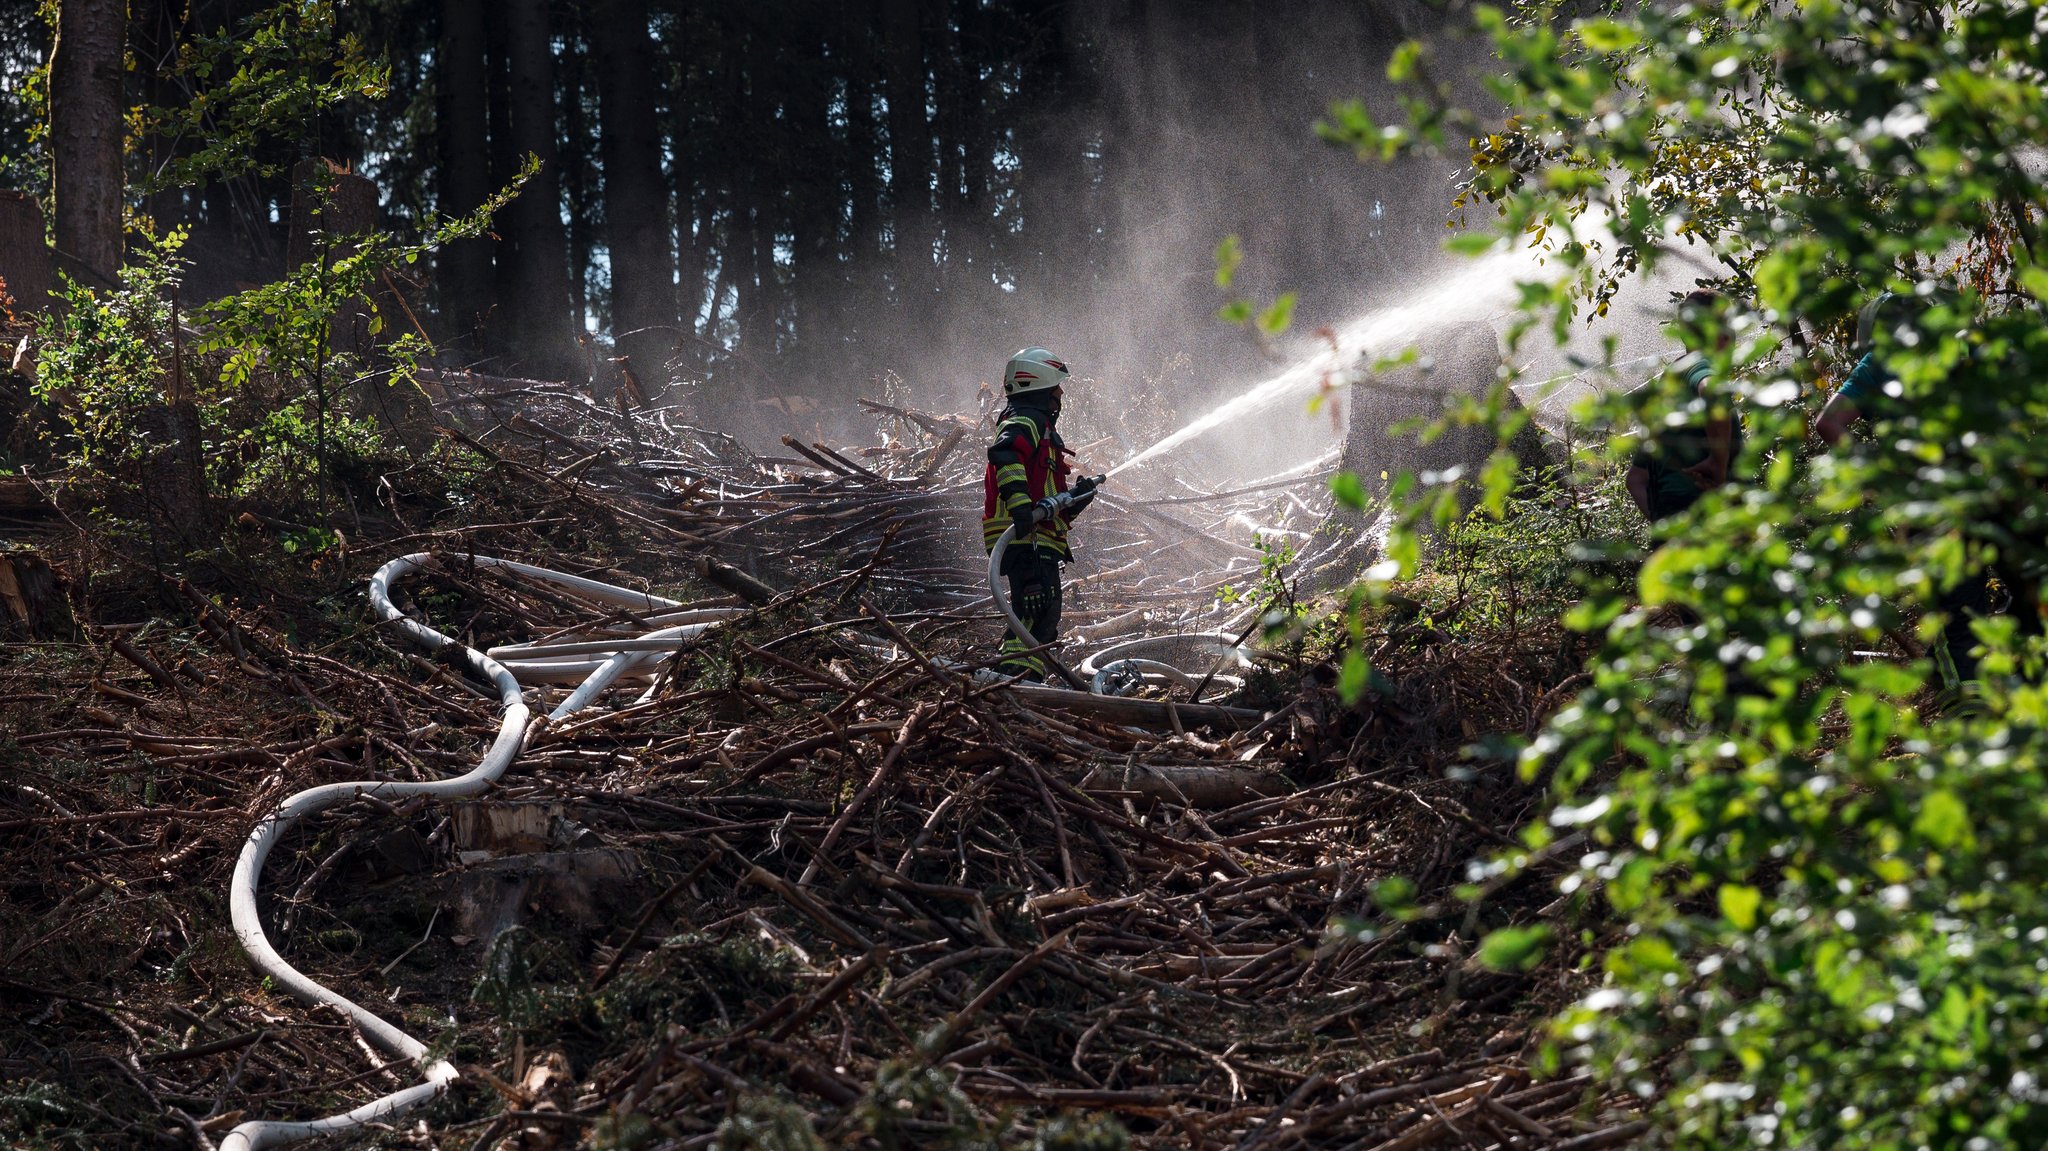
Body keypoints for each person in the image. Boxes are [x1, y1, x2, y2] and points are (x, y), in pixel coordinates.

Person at [1813, 287, 2037, 707]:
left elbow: (1829, 423)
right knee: (2028, 588)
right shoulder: (1964, 344)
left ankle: (1969, 715)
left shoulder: (1879, 363)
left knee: (1957, 617)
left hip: (1929, 502)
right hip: (1995, 483)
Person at [982, 347, 1097, 681]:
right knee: (1034, 609)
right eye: (1056, 387)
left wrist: (1075, 499)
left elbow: (1044, 498)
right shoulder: (1025, 420)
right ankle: (1015, 680)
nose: (1060, 394)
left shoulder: (1038, 427)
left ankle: (1021, 678)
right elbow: (1004, 454)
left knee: (1042, 611)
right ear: (1040, 388)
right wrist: (1020, 508)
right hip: (1023, 539)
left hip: (1034, 537)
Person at [1625, 290, 1743, 524]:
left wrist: (1665, 527)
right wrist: (1718, 464)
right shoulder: (1701, 365)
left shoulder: (1666, 387)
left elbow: (1636, 479)